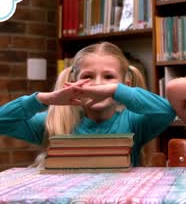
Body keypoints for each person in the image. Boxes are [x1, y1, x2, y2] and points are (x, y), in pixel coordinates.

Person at [0, 42, 175, 167]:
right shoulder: (54, 123)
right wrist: (43, 99)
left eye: (108, 77)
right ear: (72, 82)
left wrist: (115, 90)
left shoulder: (134, 122)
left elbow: (167, 110)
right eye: (87, 77)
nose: (97, 83)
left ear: (125, 85)